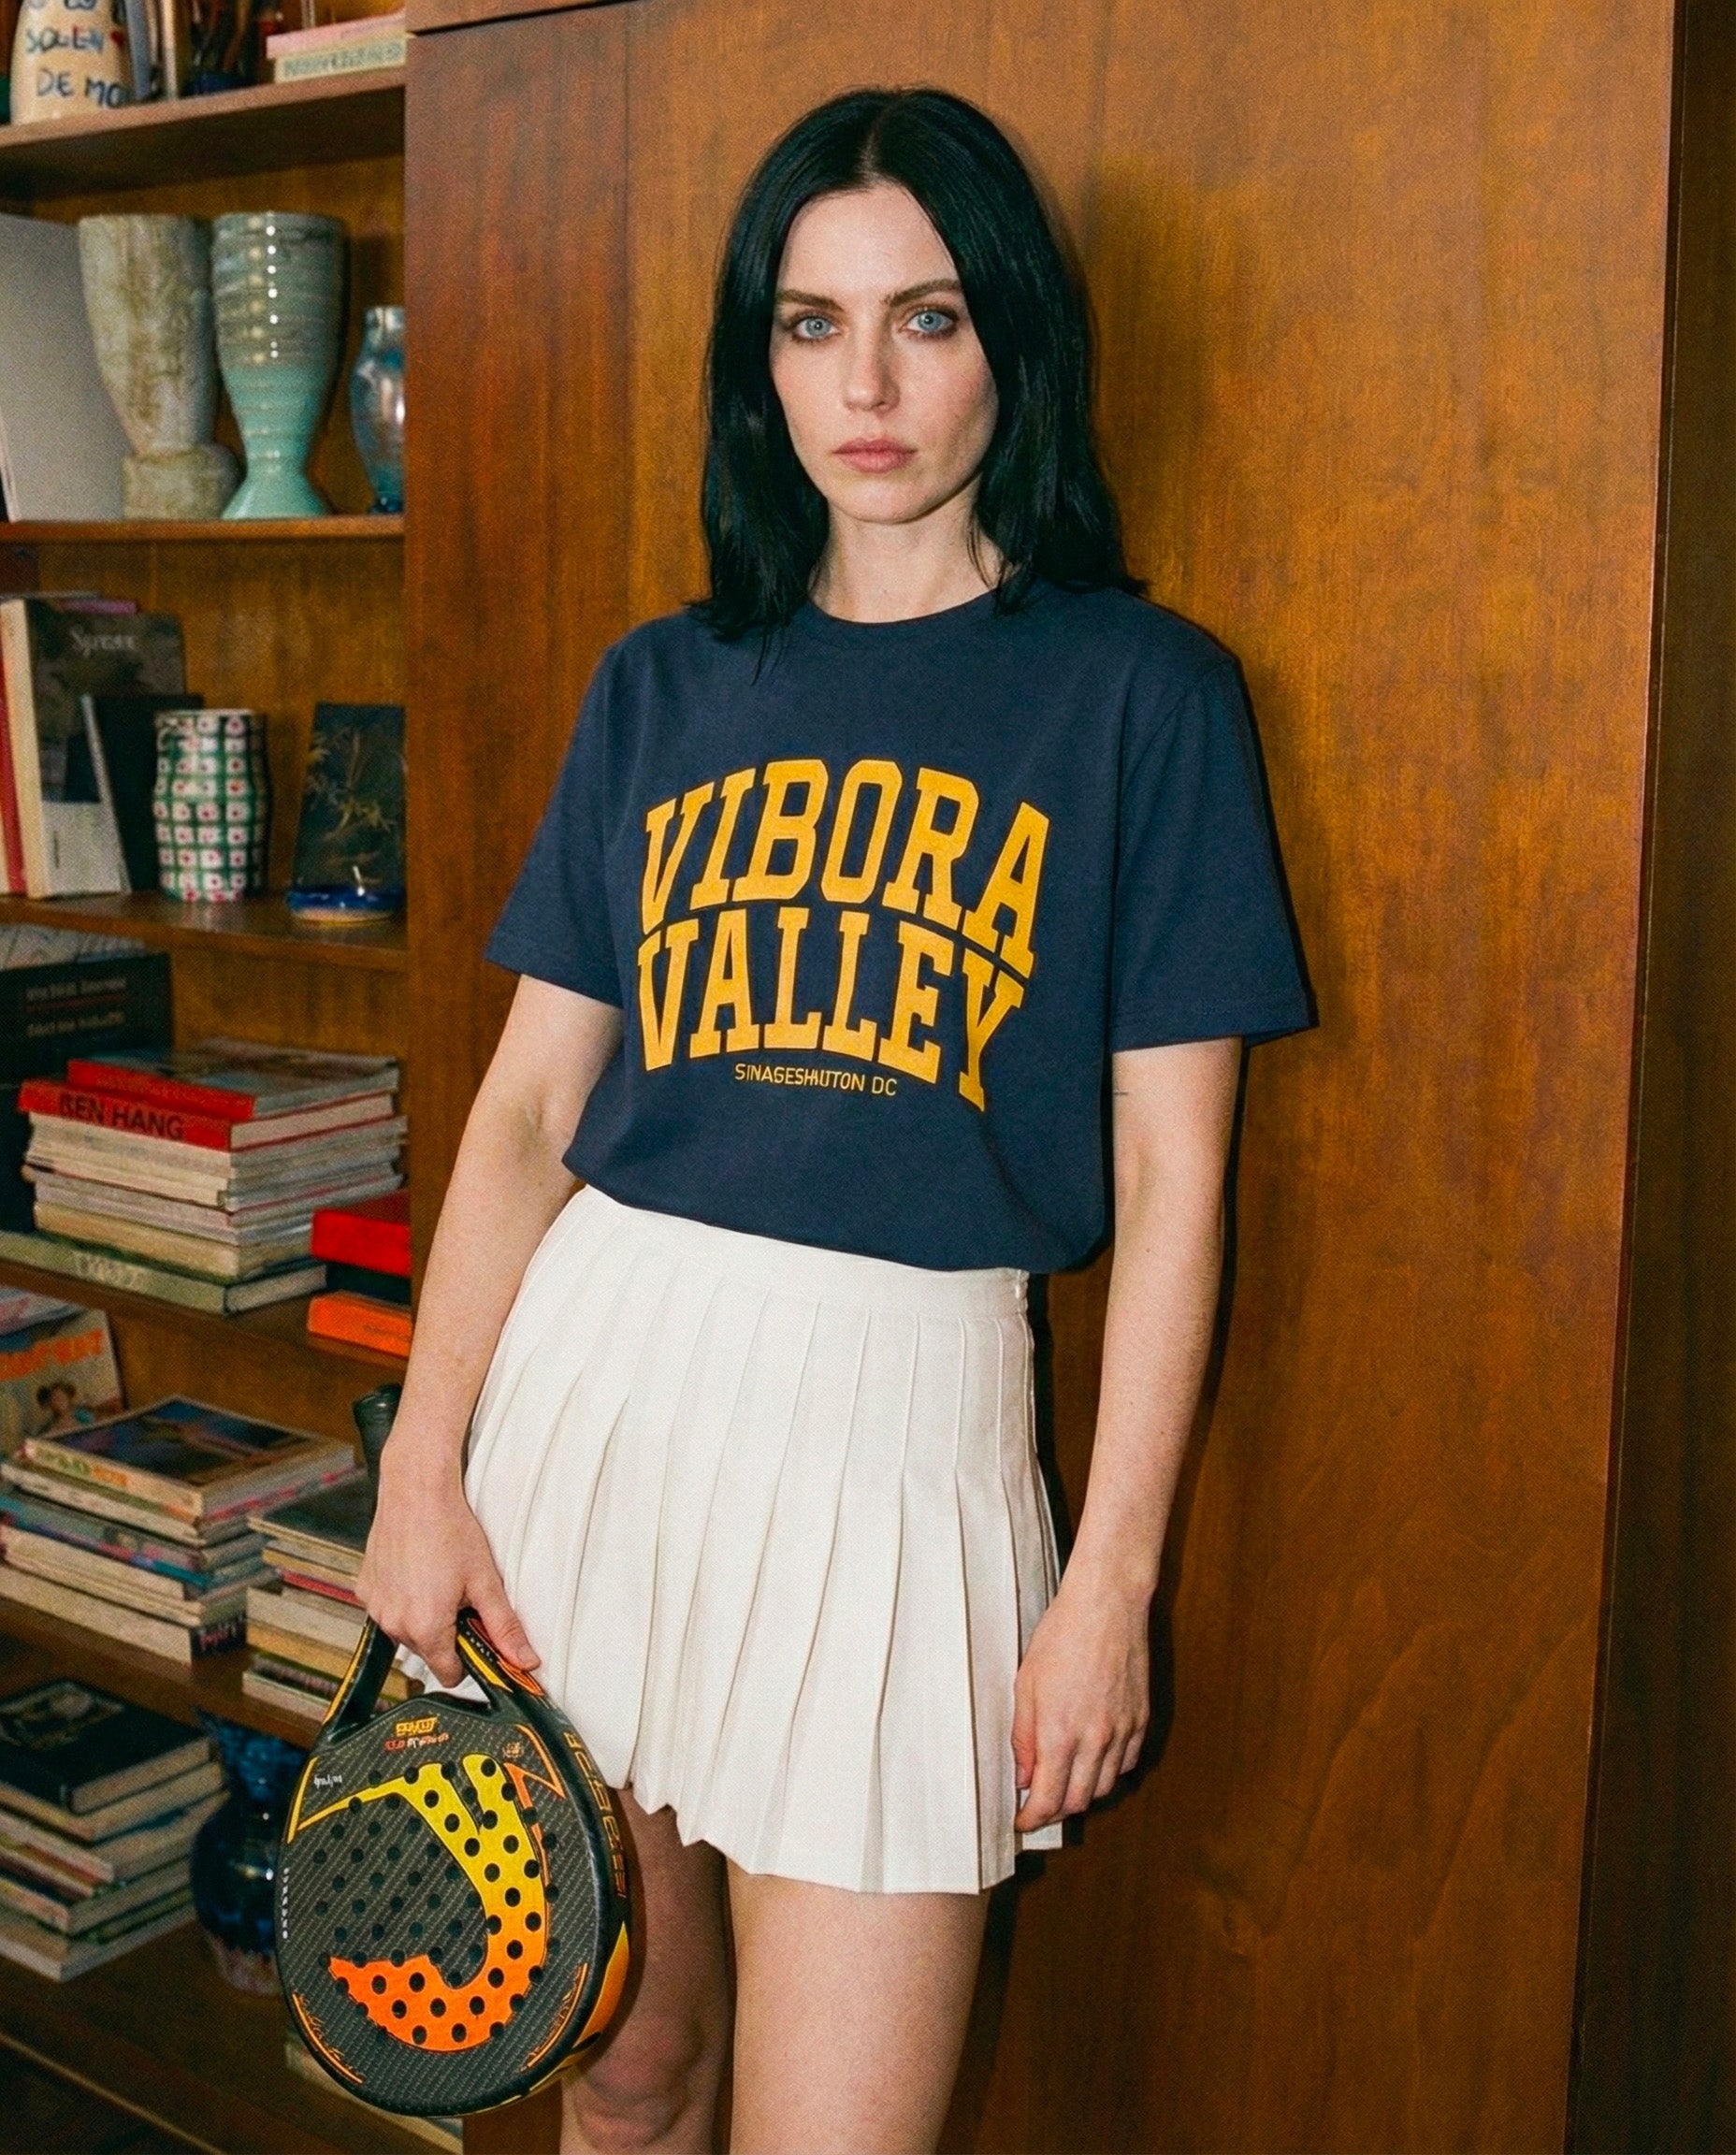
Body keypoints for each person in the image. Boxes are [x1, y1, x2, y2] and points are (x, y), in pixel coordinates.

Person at [358, 85, 1309, 2155]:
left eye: (925, 318)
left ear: (1012, 341)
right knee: (624, 2077)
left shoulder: (1142, 696)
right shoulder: (663, 687)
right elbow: (526, 1113)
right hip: (595, 1417)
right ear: (759, 362)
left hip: (901, 1454)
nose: (865, 387)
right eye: (811, 325)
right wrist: (422, 1468)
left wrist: (1111, 1583)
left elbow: (1174, 1180)